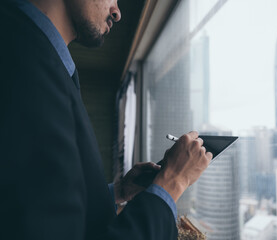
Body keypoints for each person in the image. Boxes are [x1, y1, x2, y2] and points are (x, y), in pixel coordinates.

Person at [0, 0, 213, 239]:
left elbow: (39, 198)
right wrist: (173, 182)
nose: (117, 12)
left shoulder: (33, 53)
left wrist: (114, 192)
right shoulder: (24, 64)